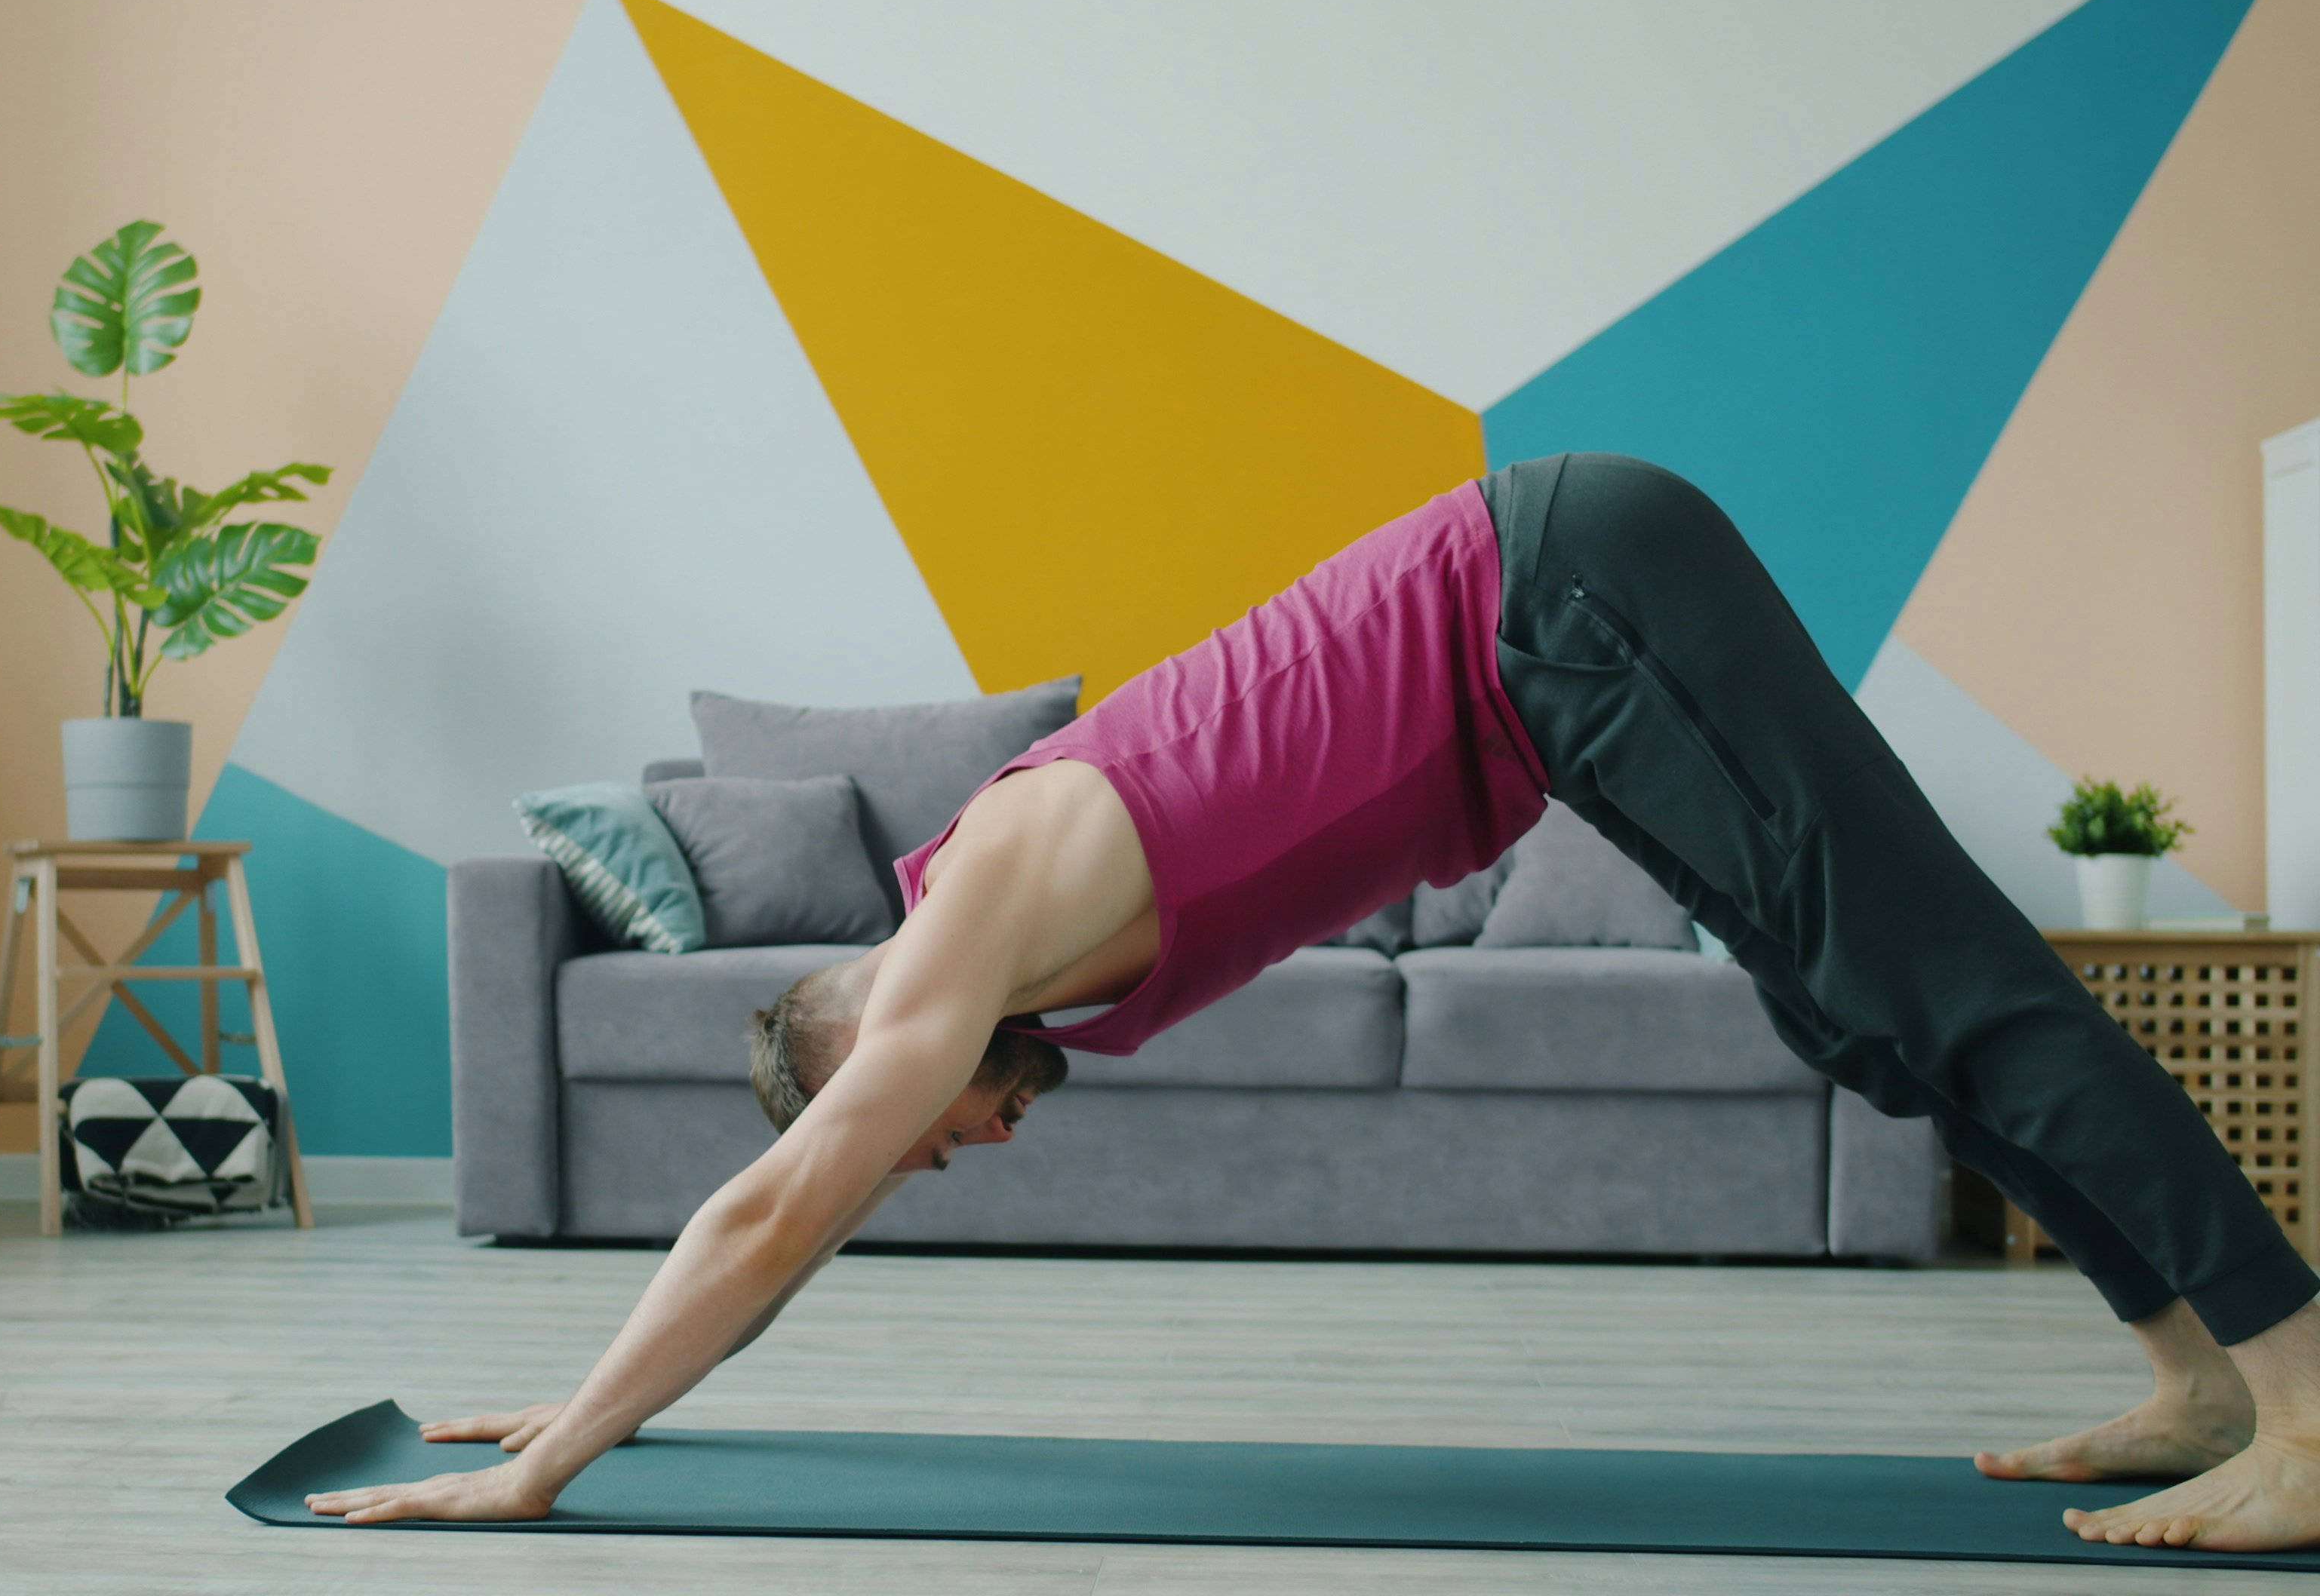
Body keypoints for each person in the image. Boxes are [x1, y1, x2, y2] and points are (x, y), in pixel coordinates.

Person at [307, 453, 2320, 1551]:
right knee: (1868, 1024)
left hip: (1576, 596)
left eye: (910, 1133)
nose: (944, 1151)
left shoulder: (953, 935)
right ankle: (2197, 1375)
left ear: (850, 1042)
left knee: (1953, 989)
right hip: (1569, 675)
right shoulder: (1004, 946)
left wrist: (549, 1459)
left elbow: (770, 1213)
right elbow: (798, 1196)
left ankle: (2308, 1403)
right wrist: (582, 1399)